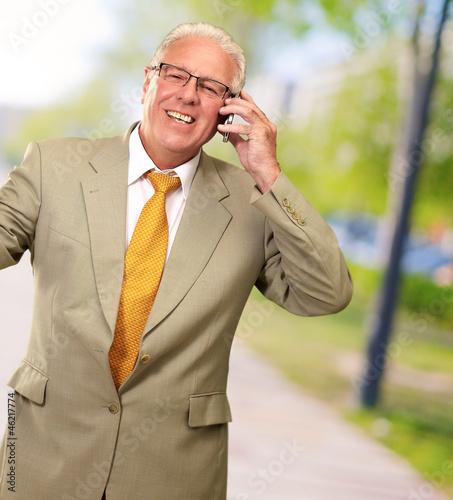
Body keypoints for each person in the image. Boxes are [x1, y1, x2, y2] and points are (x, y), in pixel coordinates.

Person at [0, 22, 353, 500]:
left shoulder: (254, 201)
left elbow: (327, 294)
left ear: (232, 108)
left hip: (174, 472)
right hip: (43, 457)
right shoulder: (51, 165)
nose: (189, 95)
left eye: (210, 87)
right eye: (176, 76)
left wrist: (268, 172)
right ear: (149, 81)